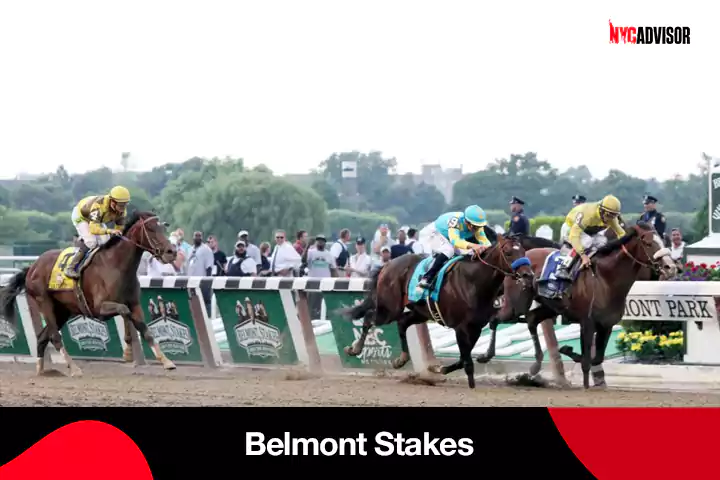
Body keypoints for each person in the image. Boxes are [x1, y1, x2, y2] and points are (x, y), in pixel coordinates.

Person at [417, 205, 491, 290]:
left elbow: (485, 243)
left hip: (448, 238)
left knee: (470, 252)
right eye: (474, 226)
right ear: (467, 222)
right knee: (449, 250)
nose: (476, 229)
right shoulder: (456, 220)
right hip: (433, 234)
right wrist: (475, 246)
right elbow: (455, 241)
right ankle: (426, 278)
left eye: (479, 226)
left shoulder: (478, 226)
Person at [64, 185, 131, 279]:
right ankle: (70, 268)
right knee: (92, 242)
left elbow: (119, 229)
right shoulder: (99, 207)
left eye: (125, 204)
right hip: (81, 216)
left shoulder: (122, 212)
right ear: (112, 201)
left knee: (106, 242)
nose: (122, 208)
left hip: (97, 220)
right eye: (120, 205)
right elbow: (93, 229)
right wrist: (109, 230)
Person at [555, 195, 625, 281]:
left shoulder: (611, 217)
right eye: (608, 215)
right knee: (587, 241)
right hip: (570, 228)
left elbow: (621, 234)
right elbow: (574, 235)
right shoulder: (588, 214)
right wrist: (583, 256)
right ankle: (563, 267)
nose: (610, 218)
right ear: (601, 210)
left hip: (587, 231)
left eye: (614, 215)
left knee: (602, 241)